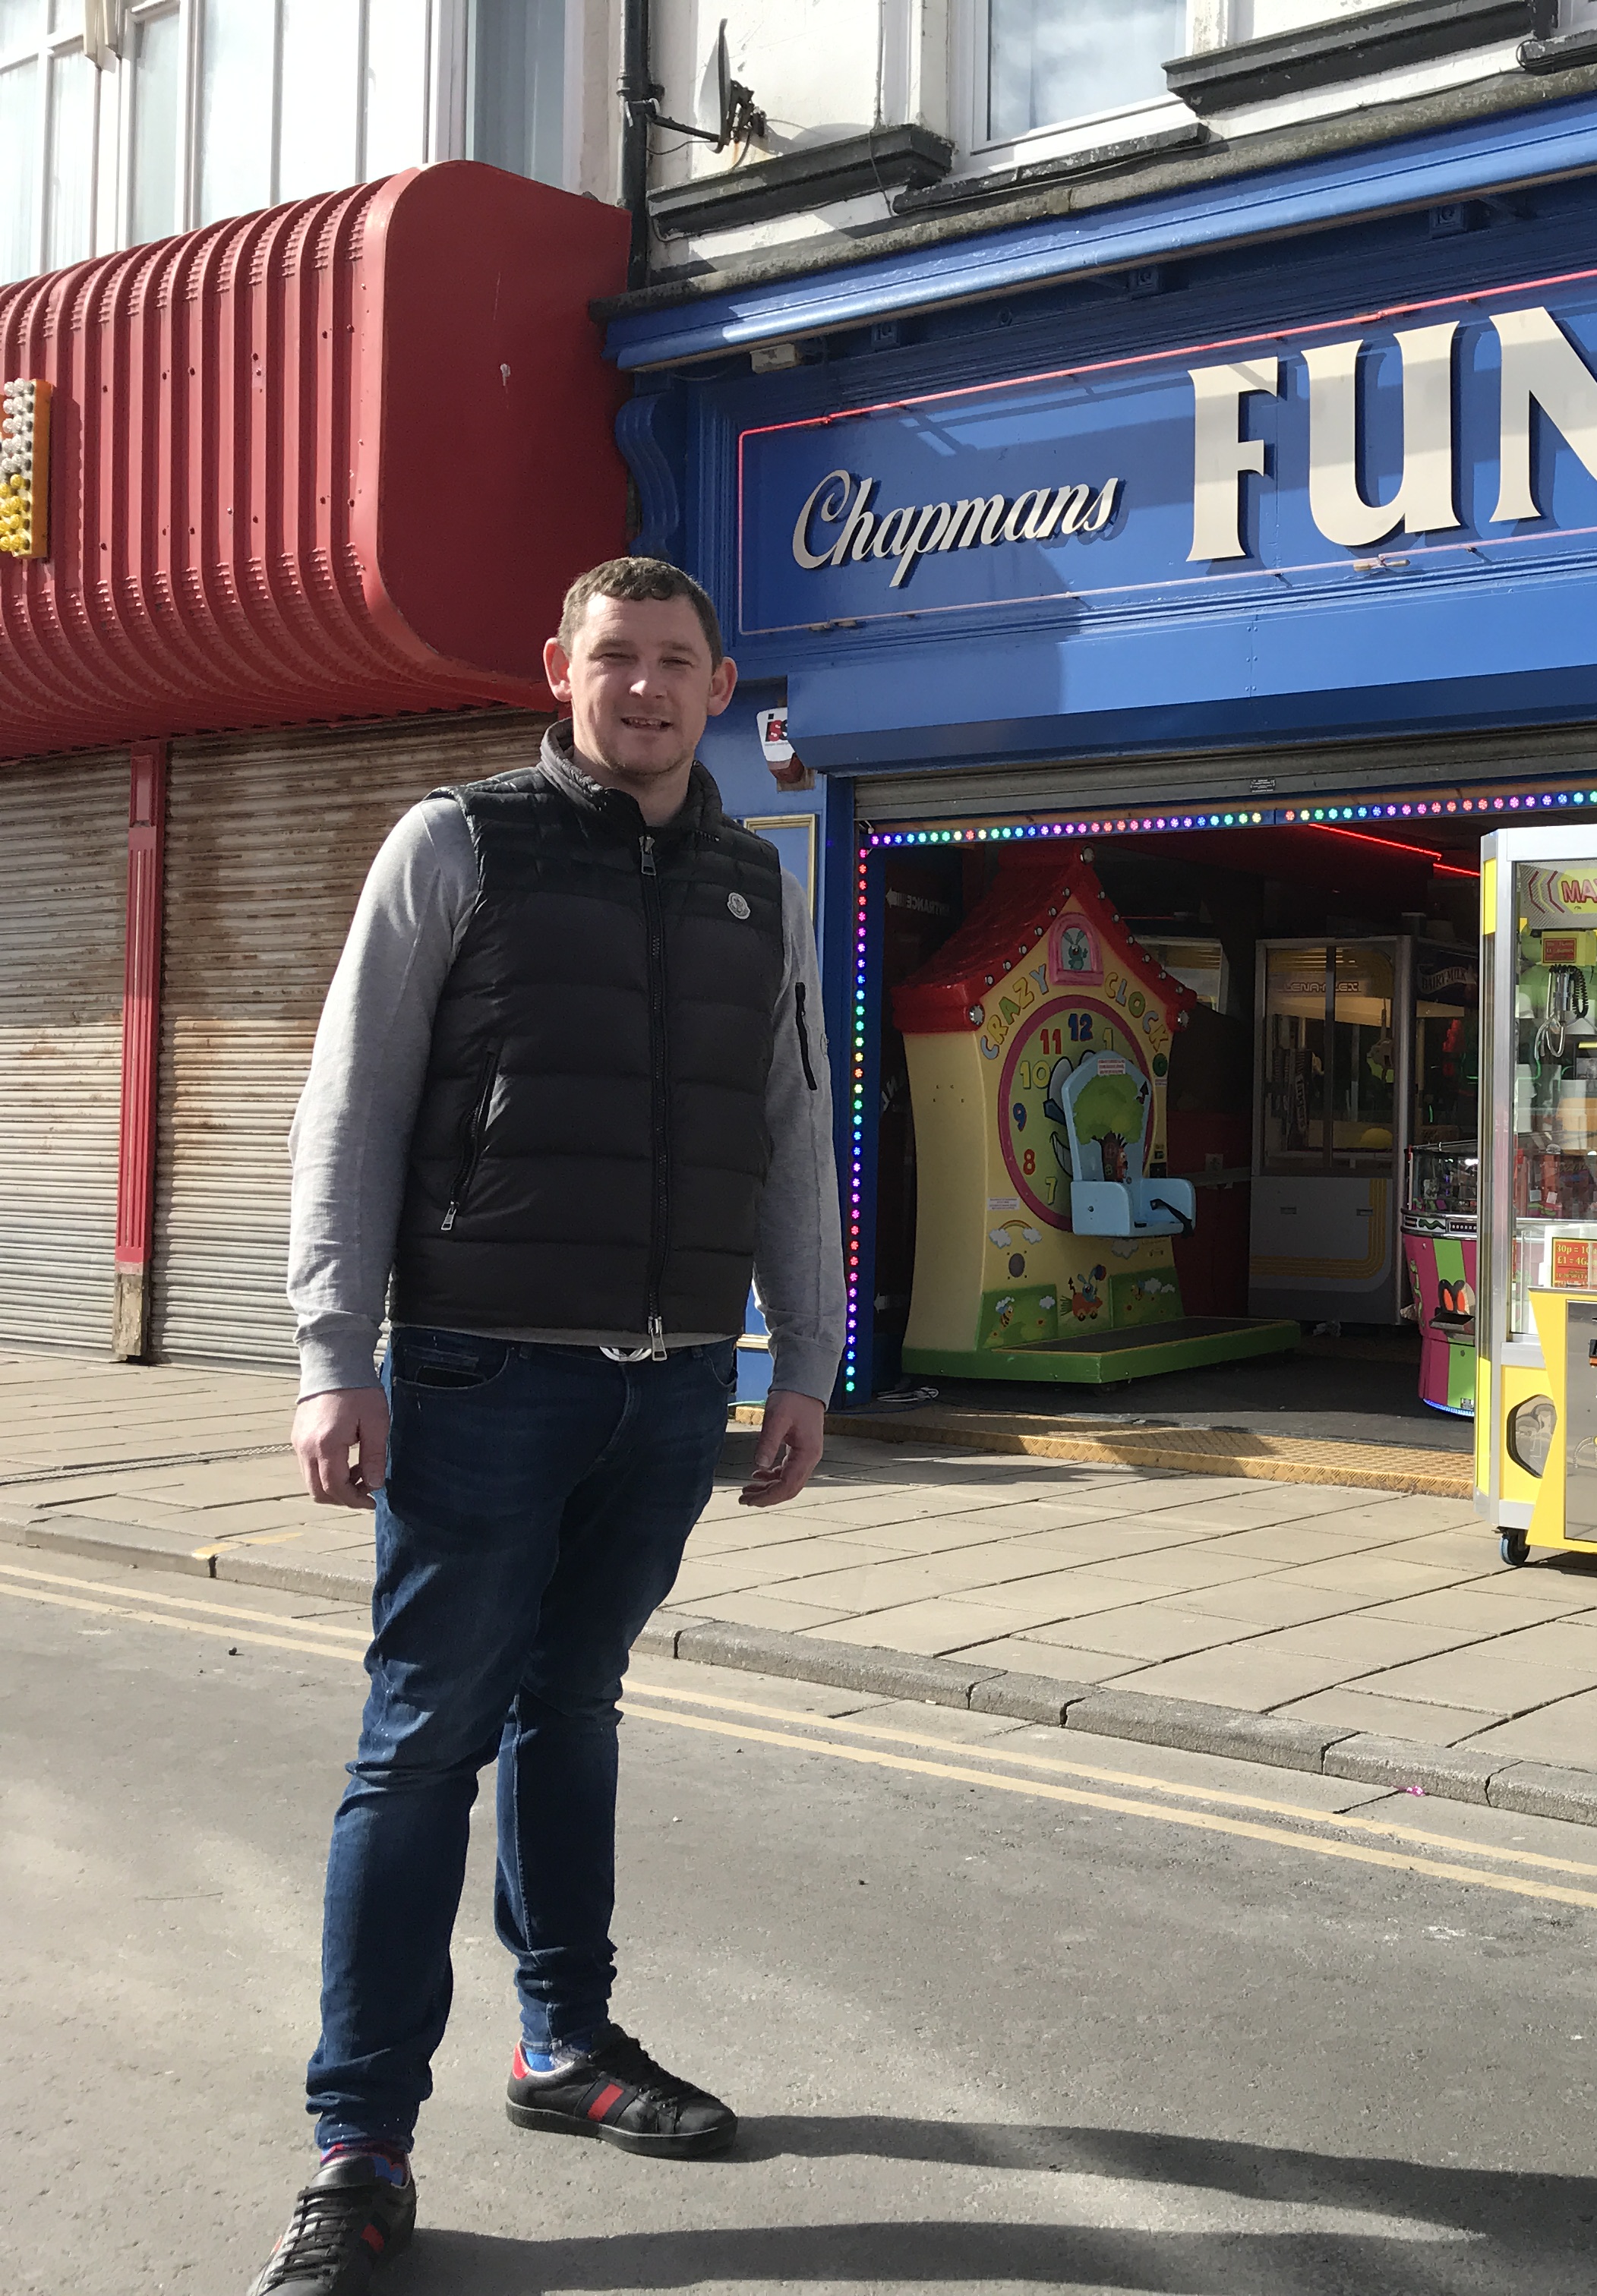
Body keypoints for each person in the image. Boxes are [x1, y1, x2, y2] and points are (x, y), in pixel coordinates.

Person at [248, 558, 844, 2296]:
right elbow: (348, 1099)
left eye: (676, 663)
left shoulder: (755, 884)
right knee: (426, 1737)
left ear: (720, 687)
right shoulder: (459, 841)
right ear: (560, 670)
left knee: (573, 1706)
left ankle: (562, 2043)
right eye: (615, 659)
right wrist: (327, 1350)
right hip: (473, 1371)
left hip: (670, 1383)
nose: (645, 690)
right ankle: (358, 2142)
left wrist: (797, 1355)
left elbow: (793, 1120)